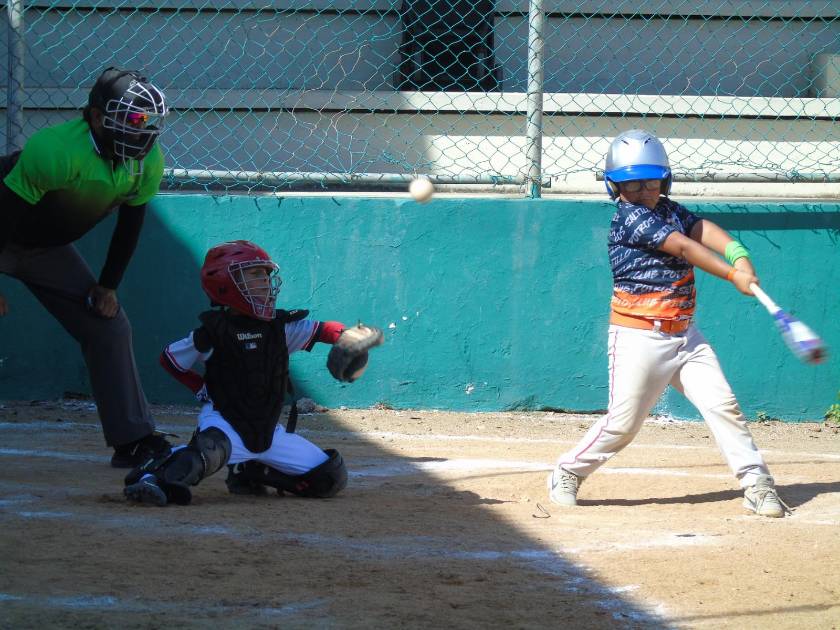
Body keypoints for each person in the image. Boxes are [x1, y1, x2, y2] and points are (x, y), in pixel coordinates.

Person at [547, 129, 787, 518]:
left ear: (665, 179)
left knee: (723, 405)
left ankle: (757, 483)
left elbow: (700, 229)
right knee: (623, 425)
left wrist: (738, 254)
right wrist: (732, 275)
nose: (643, 190)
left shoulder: (668, 208)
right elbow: (685, 247)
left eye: (651, 181)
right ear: (615, 186)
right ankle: (568, 471)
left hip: (685, 335)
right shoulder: (630, 218)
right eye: (632, 183)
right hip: (638, 336)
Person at [123, 240, 384, 507]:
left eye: (265, 275)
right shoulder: (213, 331)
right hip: (224, 423)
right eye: (255, 274)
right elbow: (170, 359)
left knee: (329, 477)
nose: (265, 282)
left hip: (267, 431)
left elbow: (322, 330)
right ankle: (153, 478)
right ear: (224, 283)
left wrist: (348, 336)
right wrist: (200, 388)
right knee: (206, 453)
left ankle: (249, 470)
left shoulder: (279, 327)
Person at [0, 66, 172, 468]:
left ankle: (133, 440)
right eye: (131, 119)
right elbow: (5, 214)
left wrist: (107, 286)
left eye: (146, 121)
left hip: (44, 248)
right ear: (97, 116)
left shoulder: (146, 162)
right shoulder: (56, 149)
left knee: (108, 327)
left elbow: (131, 223)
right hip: (2, 225)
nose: (141, 130)